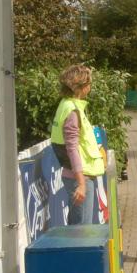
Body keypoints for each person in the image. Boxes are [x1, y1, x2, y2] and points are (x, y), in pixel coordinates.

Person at [50, 64, 106, 225]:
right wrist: (81, 184)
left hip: (76, 175)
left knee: (77, 227)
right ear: (81, 87)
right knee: (82, 230)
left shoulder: (66, 104)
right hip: (80, 177)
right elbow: (72, 147)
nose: (90, 86)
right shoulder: (73, 111)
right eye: (89, 83)